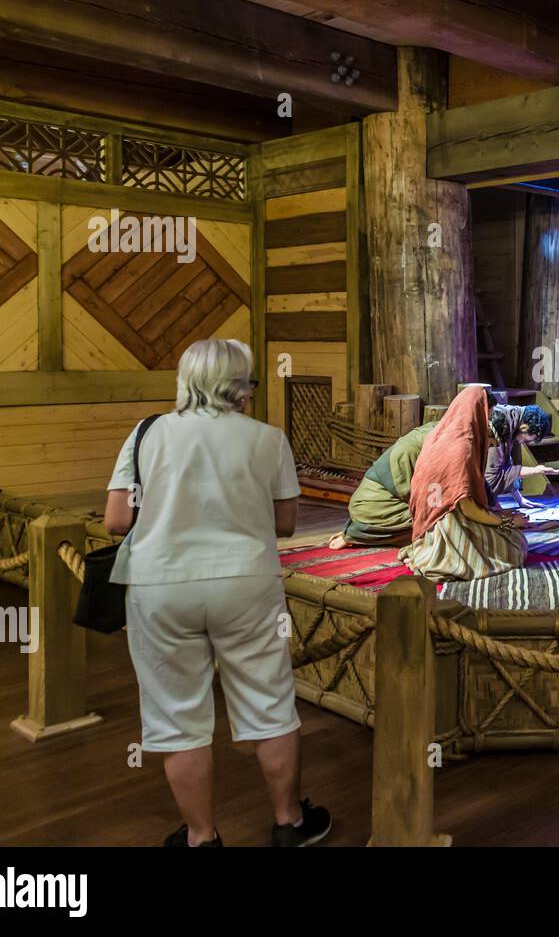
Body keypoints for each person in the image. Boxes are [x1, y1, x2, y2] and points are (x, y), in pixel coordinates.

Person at [104, 338, 330, 848]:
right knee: (269, 702)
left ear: (185, 381)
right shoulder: (268, 439)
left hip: (159, 586)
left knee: (176, 714)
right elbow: (286, 524)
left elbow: (117, 519)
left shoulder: (147, 433)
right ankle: (290, 821)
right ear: (241, 387)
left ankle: (202, 837)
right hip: (245, 584)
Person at [399, 385, 531, 582]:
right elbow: (467, 508)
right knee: (513, 546)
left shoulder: (443, 434)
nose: (488, 419)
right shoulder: (462, 447)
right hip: (446, 522)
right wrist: (508, 522)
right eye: (488, 413)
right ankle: (445, 555)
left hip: (430, 515)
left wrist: (498, 512)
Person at [327, 421, 438, 549]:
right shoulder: (443, 439)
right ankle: (359, 534)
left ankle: (360, 531)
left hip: (373, 504)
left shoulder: (438, 429)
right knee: (438, 524)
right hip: (374, 508)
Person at [485, 403, 559, 506]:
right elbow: (491, 477)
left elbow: (506, 462)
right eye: (525, 439)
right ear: (524, 427)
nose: (521, 442)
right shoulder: (501, 424)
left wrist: (519, 499)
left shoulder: (514, 420)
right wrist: (536, 470)